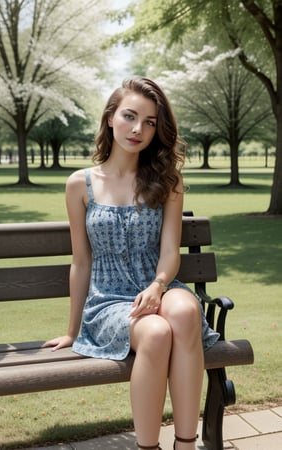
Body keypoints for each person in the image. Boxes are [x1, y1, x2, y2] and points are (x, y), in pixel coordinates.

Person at [44, 76, 219, 450]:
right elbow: (81, 261)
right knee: (155, 333)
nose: (138, 129)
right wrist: (73, 331)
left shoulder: (167, 180)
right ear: (110, 118)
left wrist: (157, 286)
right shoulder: (80, 184)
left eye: (150, 122)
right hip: (109, 302)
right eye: (129, 116)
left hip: (157, 285)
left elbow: (170, 251)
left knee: (186, 312)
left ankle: (186, 445)